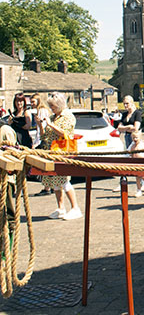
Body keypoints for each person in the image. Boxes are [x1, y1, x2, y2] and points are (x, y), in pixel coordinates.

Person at [39, 92, 82, 220]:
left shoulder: (68, 116)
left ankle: (75, 208)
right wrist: (41, 125)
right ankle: (61, 208)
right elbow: (44, 136)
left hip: (62, 153)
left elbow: (66, 134)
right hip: (51, 153)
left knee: (64, 181)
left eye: (53, 106)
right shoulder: (53, 117)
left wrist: (50, 124)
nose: (52, 109)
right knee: (55, 182)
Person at [30, 94, 54, 196]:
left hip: (44, 140)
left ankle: (47, 187)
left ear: (38, 101)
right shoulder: (41, 110)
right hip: (44, 139)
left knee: (44, 164)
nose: (31, 104)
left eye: (33, 102)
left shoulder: (41, 111)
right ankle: (50, 186)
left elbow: (42, 128)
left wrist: (36, 143)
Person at [128, 129, 144, 197]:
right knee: (137, 177)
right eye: (133, 138)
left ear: (140, 138)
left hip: (142, 162)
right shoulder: (132, 146)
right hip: (135, 163)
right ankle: (139, 189)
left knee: (142, 175)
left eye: (136, 137)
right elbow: (129, 153)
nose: (135, 139)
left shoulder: (143, 145)